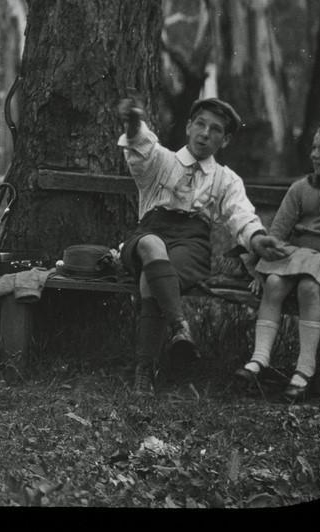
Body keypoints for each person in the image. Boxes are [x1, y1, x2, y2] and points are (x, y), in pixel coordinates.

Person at [116, 93, 286, 396]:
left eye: (216, 130)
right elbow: (139, 150)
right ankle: (180, 326)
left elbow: (240, 214)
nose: (205, 134)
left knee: (150, 275)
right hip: (150, 231)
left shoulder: (225, 179)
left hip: (191, 244)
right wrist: (132, 124)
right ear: (188, 127)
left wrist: (257, 239)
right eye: (200, 124)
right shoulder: (162, 161)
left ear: (226, 140)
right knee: (151, 245)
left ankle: (145, 371)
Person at [235, 122, 320, 401]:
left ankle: (304, 370)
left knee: (308, 287)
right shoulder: (301, 188)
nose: (314, 155)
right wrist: (261, 269)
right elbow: (277, 233)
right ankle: (259, 359)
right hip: (297, 256)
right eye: (313, 148)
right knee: (274, 282)